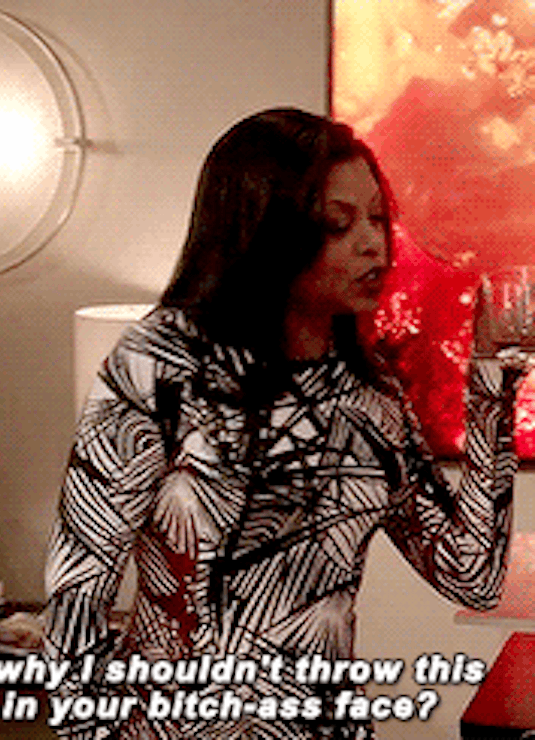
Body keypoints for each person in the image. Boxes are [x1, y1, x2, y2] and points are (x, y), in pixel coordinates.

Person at [40, 109, 525, 740]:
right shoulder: (158, 367)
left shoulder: (370, 392)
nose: (374, 245)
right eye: (338, 224)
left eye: (378, 218)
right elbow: (75, 604)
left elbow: (472, 575)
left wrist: (491, 380)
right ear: (264, 230)